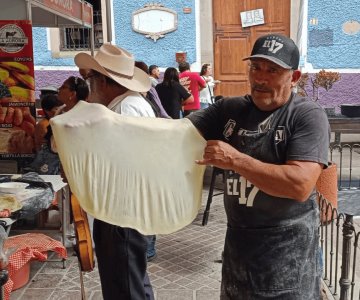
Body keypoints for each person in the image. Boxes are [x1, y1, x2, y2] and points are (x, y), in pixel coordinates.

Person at [187, 34, 330, 299]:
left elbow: (299, 185)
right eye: (255, 67)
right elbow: (178, 134)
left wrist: (235, 160)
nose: (260, 78)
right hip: (238, 261)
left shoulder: (307, 116)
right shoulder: (228, 110)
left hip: (290, 264)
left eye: (273, 70)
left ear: (294, 77)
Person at [74, 44, 155, 300]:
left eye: (90, 78)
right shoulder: (126, 105)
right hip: (122, 210)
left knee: (126, 287)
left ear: (103, 81)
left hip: (122, 211)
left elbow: (122, 164)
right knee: (131, 282)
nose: (88, 85)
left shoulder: (126, 109)